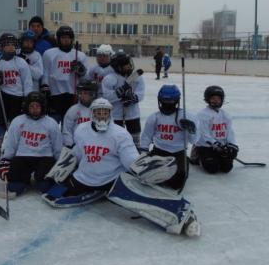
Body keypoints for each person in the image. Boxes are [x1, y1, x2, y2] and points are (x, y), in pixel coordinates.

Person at [43, 98, 201, 237]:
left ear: (110, 114)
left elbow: (129, 159)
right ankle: (93, 191)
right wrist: (58, 172)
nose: (101, 116)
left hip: (111, 179)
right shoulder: (81, 130)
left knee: (140, 199)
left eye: (105, 112)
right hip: (84, 178)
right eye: (98, 112)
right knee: (54, 192)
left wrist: (146, 168)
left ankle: (182, 215)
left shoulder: (120, 134)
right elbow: (78, 152)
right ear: (92, 113)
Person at [0, 91, 62, 198]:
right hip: (23, 156)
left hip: (44, 157)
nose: (34, 109)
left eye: (37, 106)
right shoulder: (18, 121)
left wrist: (59, 164)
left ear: (43, 107)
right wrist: (5, 160)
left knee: (44, 186)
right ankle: (24, 179)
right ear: (27, 106)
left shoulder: (51, 123)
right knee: (14, 187)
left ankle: (39, 179)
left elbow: (57, 146)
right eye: (32, 106)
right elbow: (11, 144)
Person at [140, 85, 199, 191]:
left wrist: (191, 130)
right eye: (164, 102)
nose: (167, 105)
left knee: (177, 184)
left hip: (178, 152)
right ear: (159, 101)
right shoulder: (154, 117)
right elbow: (146, 136)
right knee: (147, 177)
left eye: (170, 102)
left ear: (176, 102)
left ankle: (178, 167)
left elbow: (194, 140)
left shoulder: (186, 116)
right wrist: (144, 152)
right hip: (159, 151)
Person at [0, 33, 33, 164]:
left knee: (16, 125)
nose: (11, 47)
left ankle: (15, 149)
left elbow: (27, 82)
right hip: (2, 97)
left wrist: (27, 100)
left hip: (18, 99)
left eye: (13, 45)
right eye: (7, 45)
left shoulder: (21, 62)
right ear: (1, 47)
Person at [41, 25, 88, 124]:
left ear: (72, 39)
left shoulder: (80, 55)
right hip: (55, 94)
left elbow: (85, 78)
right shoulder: (49, 54)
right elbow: (45, 72)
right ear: (58, 39)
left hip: (72, 95)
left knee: (69, 123)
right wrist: (45, 86)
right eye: (63, 38)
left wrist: (81, 70)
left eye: (68, 38)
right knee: (52, 123)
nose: (66, 40)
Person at [190, 86, 238, 174]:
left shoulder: (226, 115)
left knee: (227, 168)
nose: (216, 101)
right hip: (206, 146)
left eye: (218, 99)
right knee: (212, 168)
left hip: (221, 146)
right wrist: (215, 144)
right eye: (213, 98)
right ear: (207, 99)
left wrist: (232, 145)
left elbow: (230, 132)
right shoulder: (203, 115)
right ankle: (197, 155)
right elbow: (204, 134)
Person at [101, 51, 145, 148]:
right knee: (116, 141)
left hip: (133, 115)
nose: (129, 65)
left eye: (129, 62)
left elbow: (141, 93)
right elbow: (107, 97)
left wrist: (133, 98)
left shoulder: (137, 77)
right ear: (118, 66)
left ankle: (135, 154)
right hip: (115, 116)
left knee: (135, 142)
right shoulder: (109, 78)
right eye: (126, 64)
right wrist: (120, 92)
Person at [62, 79, 98, 148]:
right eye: (80, 93)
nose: (81, 96)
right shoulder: (73, 110)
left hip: (94, 146)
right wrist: (70, 145)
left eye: (85, 93)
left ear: (92, 94)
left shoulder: (99, 110)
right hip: (76, 146)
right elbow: (67, 131)